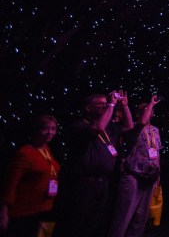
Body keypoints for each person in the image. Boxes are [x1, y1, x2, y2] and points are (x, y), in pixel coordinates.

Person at [54, 91, 134, 237]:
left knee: (93, 224)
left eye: (105, 103)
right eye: (100, 104)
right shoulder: (79, 125)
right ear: (88, 108)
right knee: (76, 223)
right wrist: (111, 104)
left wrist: (124, 106)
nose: (104, 106)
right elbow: (98, 128)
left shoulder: (110, 127)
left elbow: (129, 126)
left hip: (103, 183)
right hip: (84, 183)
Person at [108, 95, 162, 237]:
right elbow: (143, 122)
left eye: (150, 110)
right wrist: (151, 102)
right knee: (124, 216)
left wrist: (158, 174)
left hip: (149, 177)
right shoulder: (132, 128)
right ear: (138, 113)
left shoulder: (155, 130)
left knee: (140, 218)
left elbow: (156, 152)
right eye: (145, 110)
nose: (149, 112)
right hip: (134, 175)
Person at [1, 115, 61, 237]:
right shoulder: (25, 152)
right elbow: (11, 184)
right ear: (37, 130)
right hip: (26, 212)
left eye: (53, 129)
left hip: (47, 209)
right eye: (46, 128)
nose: (50, 132)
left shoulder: (47, 149)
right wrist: (3, 211)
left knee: (44, 235)